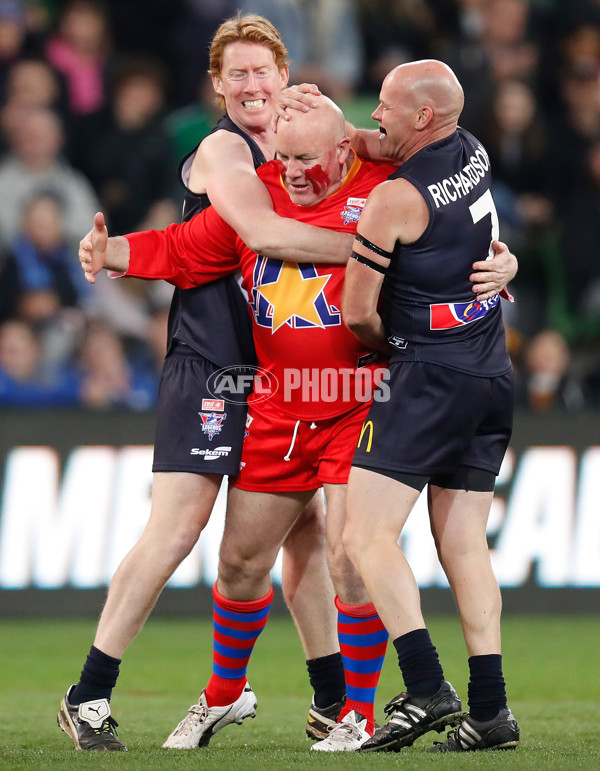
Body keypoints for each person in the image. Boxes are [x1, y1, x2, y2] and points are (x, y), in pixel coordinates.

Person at [76, 93, 517, 754]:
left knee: (349, 560)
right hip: (277, 406)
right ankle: (224, 694)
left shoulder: (385, 191)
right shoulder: (260, 193)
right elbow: (189, 249)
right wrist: (113, 255)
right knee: (240, 562)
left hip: (358, 400)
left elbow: (455, 240)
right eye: (282, 157)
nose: (292, 170)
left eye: (306, 158)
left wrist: (502, 264)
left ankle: (358, 714)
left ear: (345, 149)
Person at [56, 13, 355, 753]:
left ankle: (331, 702)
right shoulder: (224, 150)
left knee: (309, 535)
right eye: (238, 74)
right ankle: (88, 692)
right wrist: (383, 250)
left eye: (263, 70)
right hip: (211, 367)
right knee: (178, 526)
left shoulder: (295, 147)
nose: (253, 84)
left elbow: (189, 245)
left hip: (277, 375)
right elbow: (239, 237)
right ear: (217, 86)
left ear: (285, 75)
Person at [340, 59, 520, 753]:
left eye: (385, 104)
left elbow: (359, 313)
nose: (375, 113)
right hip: (488, 369)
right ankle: (492, 710)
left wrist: (399, 344)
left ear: (422, 117)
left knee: (365, 534)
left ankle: (424, 684)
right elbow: (384, 142)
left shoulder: (394, 199)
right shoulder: (469, 149)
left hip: (429, 375)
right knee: (464, 542)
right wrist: (342, 130)